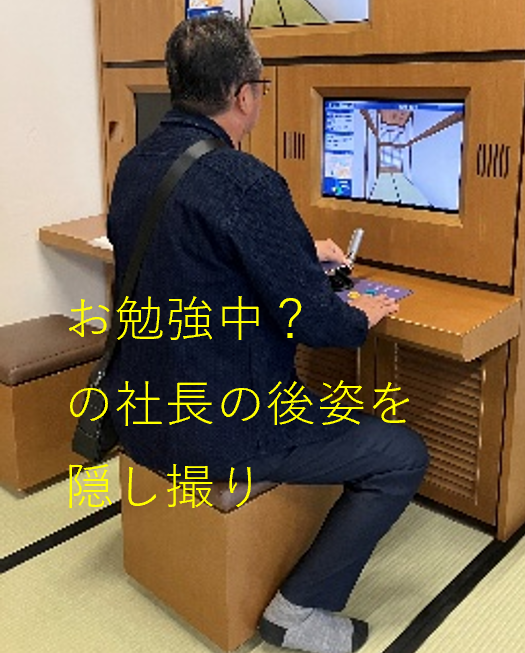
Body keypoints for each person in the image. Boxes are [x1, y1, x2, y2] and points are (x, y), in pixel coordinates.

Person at [104, 14, 428, 653]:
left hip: (138, 408)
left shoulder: (136, 164)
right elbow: (318, 323)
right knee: (400, 453)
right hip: (220, 428)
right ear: (242, 94)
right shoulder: (245, 181)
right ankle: (297, 612)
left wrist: (298, 253)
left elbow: (193, 256)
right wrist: (359, 312)